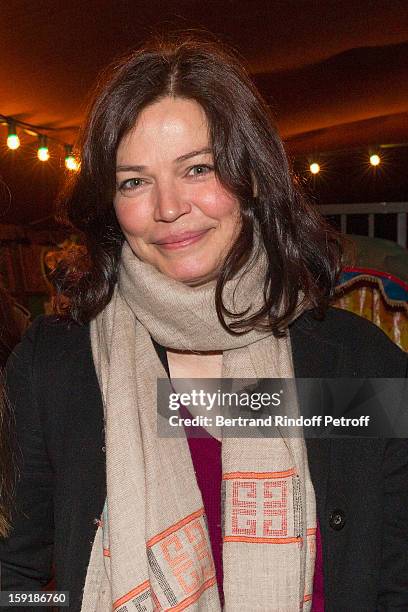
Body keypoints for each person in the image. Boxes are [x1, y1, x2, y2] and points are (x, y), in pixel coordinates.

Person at [0, 36, 407, 612]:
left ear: (254, 177)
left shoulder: (359, 363)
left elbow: (395, 573)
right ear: (109, 202)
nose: (169, 207)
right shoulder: (54, 365)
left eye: (198, 168)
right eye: (134, 181)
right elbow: (16, 572)